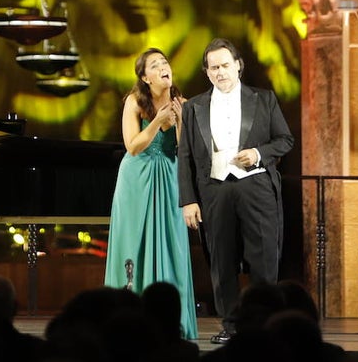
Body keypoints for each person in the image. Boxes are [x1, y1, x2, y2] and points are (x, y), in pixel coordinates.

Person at [177, 37, 294, 344]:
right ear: (206, 72)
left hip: (256, 186)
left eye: (225, 66)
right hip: (215, 190)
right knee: (221, 260)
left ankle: (265, 325)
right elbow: (185, 155)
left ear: (238, 66)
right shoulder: (194, 107)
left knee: (263, 258)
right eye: (214, 68)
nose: (220, 72)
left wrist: (257, 153)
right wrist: (188, 200)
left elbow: (285, 140)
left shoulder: (263, 99)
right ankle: (230, 325)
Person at [103, 47, 198, 340]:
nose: (163, 67)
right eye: (155, 65)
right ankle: (127, 318)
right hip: (137, 177)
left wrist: (179, 121)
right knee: (134, 241)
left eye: (164, 62)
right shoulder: (135, 101)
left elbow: (185, 150)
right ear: (146, 78)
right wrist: (157, 121)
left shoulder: (183, 103)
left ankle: (171, 320)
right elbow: (132, 146)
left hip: (170, 175)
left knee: (172, 242)